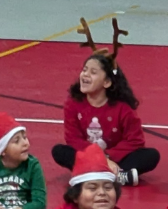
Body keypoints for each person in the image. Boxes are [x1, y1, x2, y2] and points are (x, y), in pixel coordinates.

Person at [52, 46, 159, 185]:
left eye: (93, 72)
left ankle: (91, 173)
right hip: (89, 154)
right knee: (60, 151)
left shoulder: (123, 108)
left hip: (115, 157)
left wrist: (108, 156)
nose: (85, 74)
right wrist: (100, 157)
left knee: (151, 156)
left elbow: (135, 141)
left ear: (107, 82)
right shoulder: (72, 103)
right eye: (84, 70)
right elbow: (73, 139)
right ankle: (117, 176)